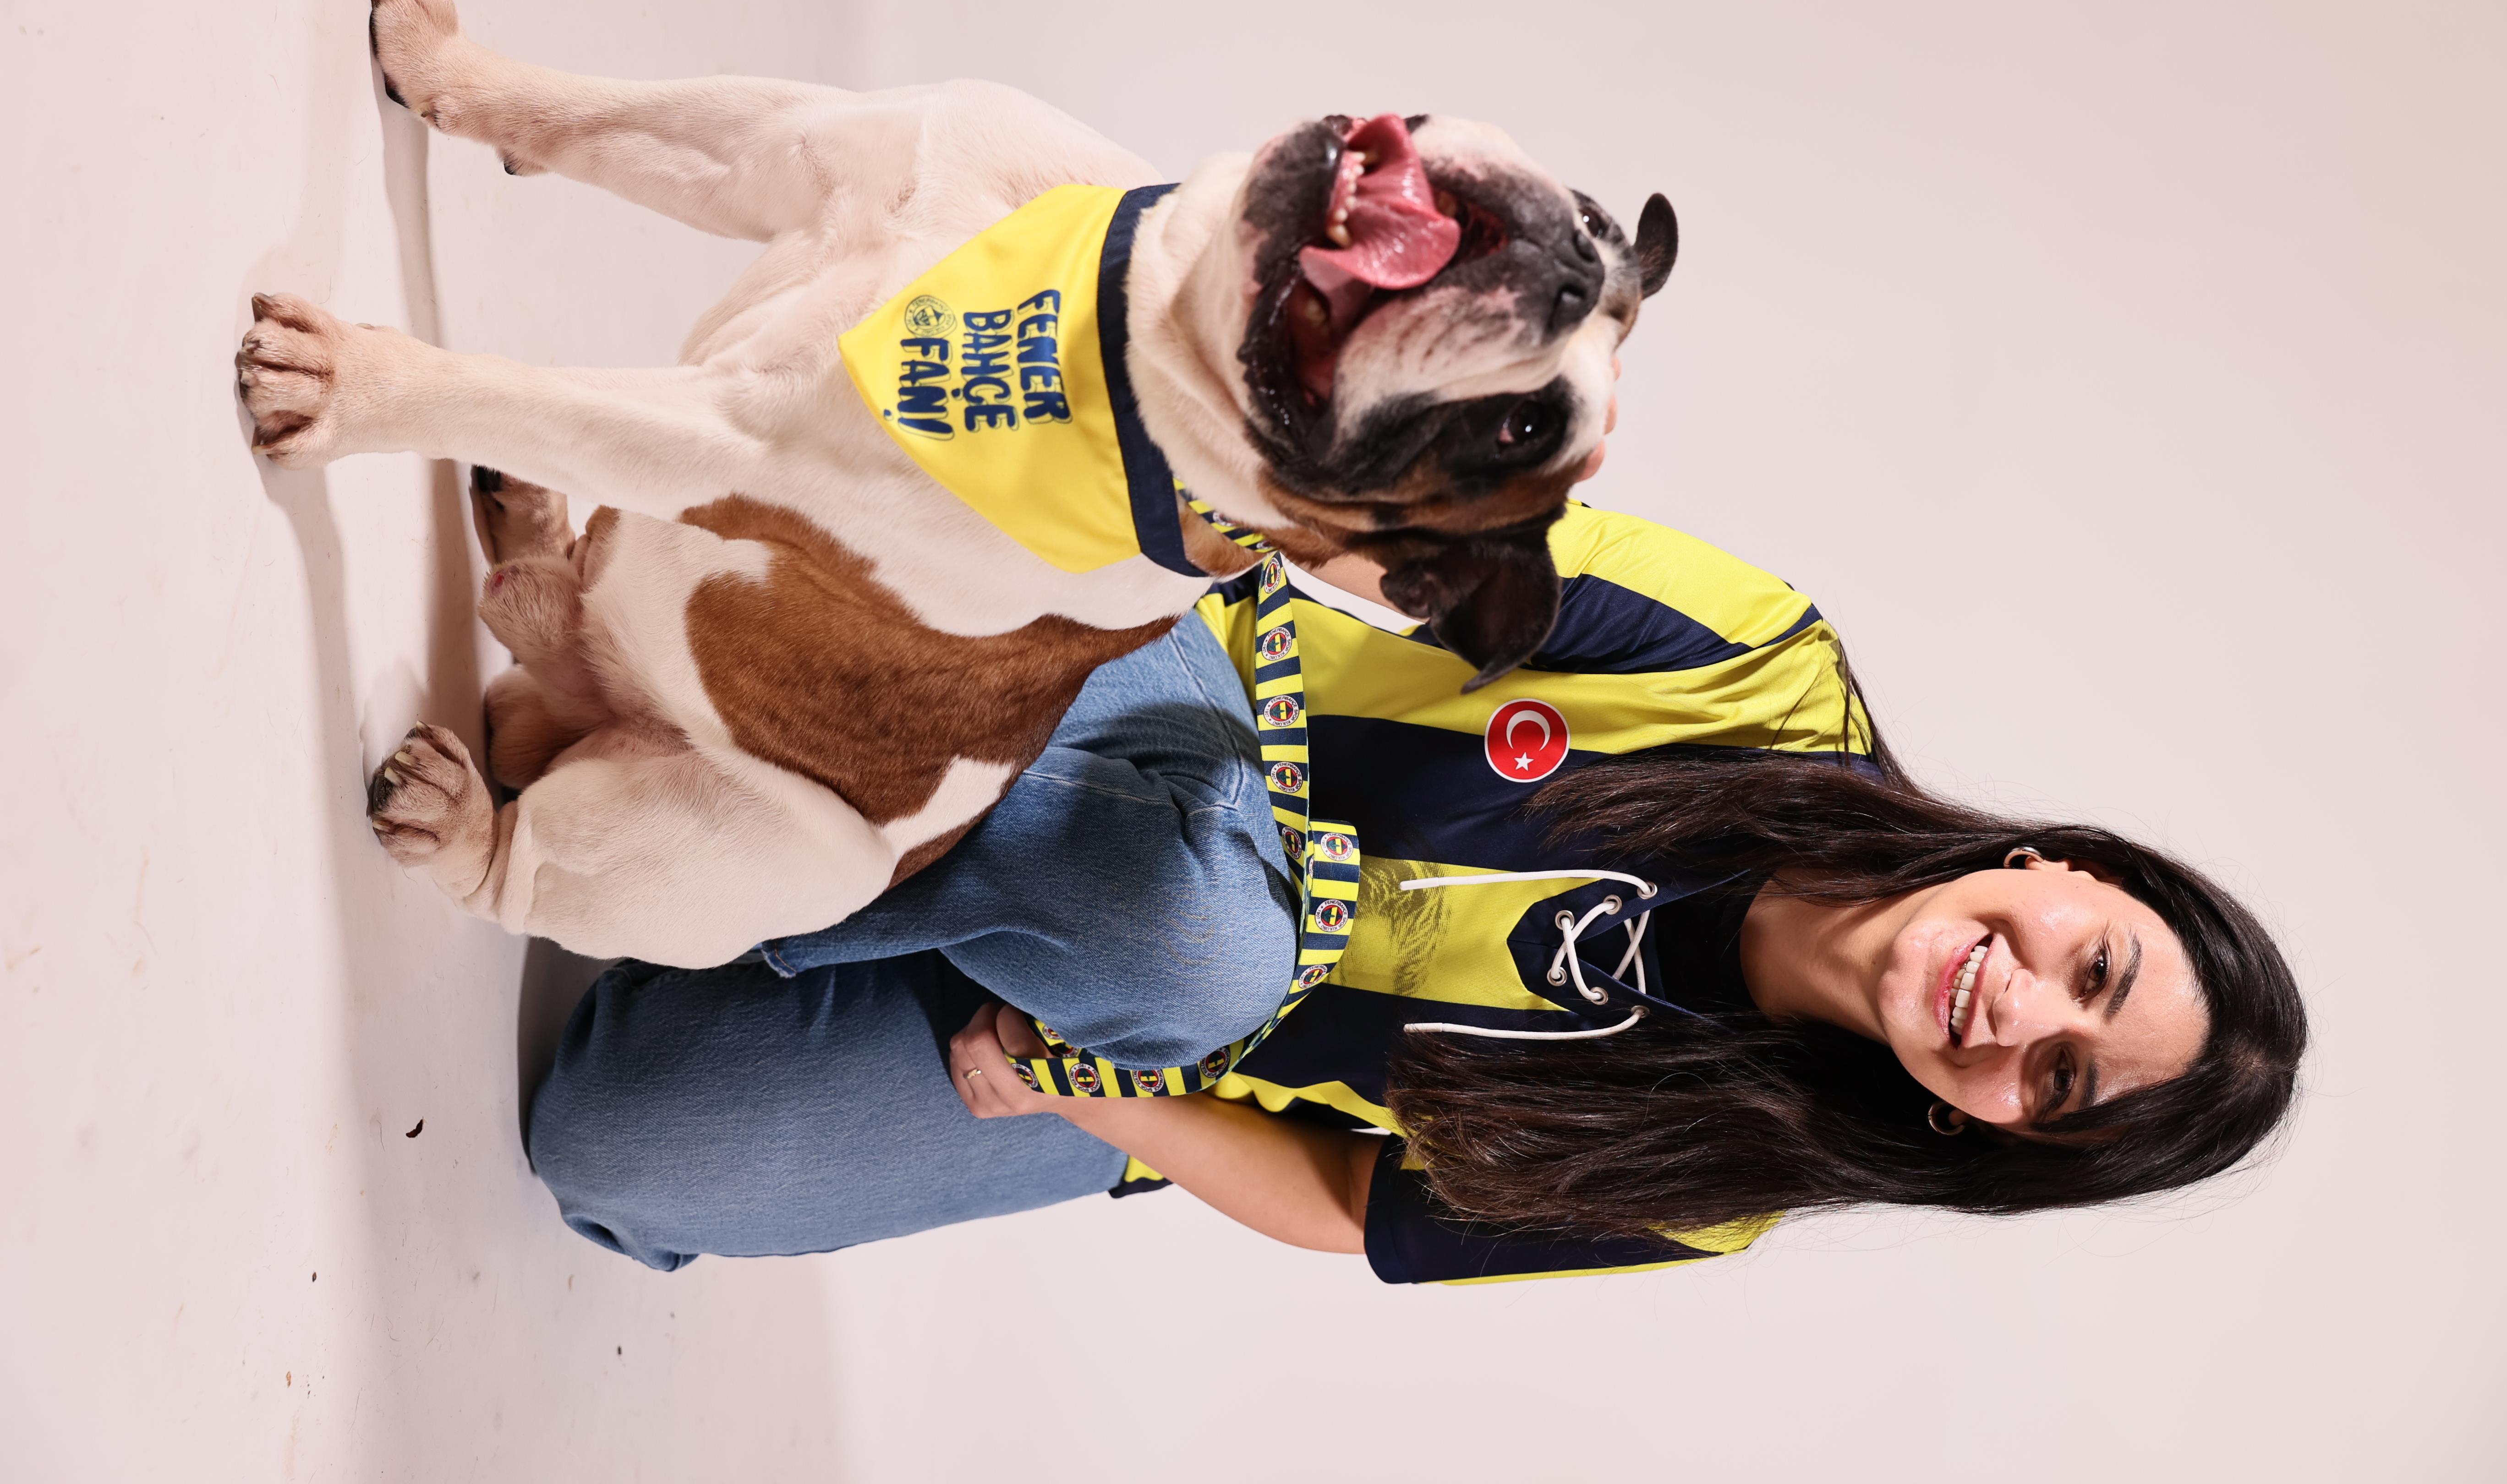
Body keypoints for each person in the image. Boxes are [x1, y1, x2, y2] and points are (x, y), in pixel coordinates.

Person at [526, 503, 2306, 1282]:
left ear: (2004, 1139)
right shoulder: (1761, 672)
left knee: (617, 1150)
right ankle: (732, 778)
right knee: (1211, 926)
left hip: (1135, 1055)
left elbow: (1338, 1199)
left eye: (2061, 1079)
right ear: (2067, 868)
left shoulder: (1718, 1190)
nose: (2028, 1011)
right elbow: (1416, 559)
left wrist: (1095, 1092)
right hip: (1159, 723)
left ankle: (752, 832)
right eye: (2096, 964)